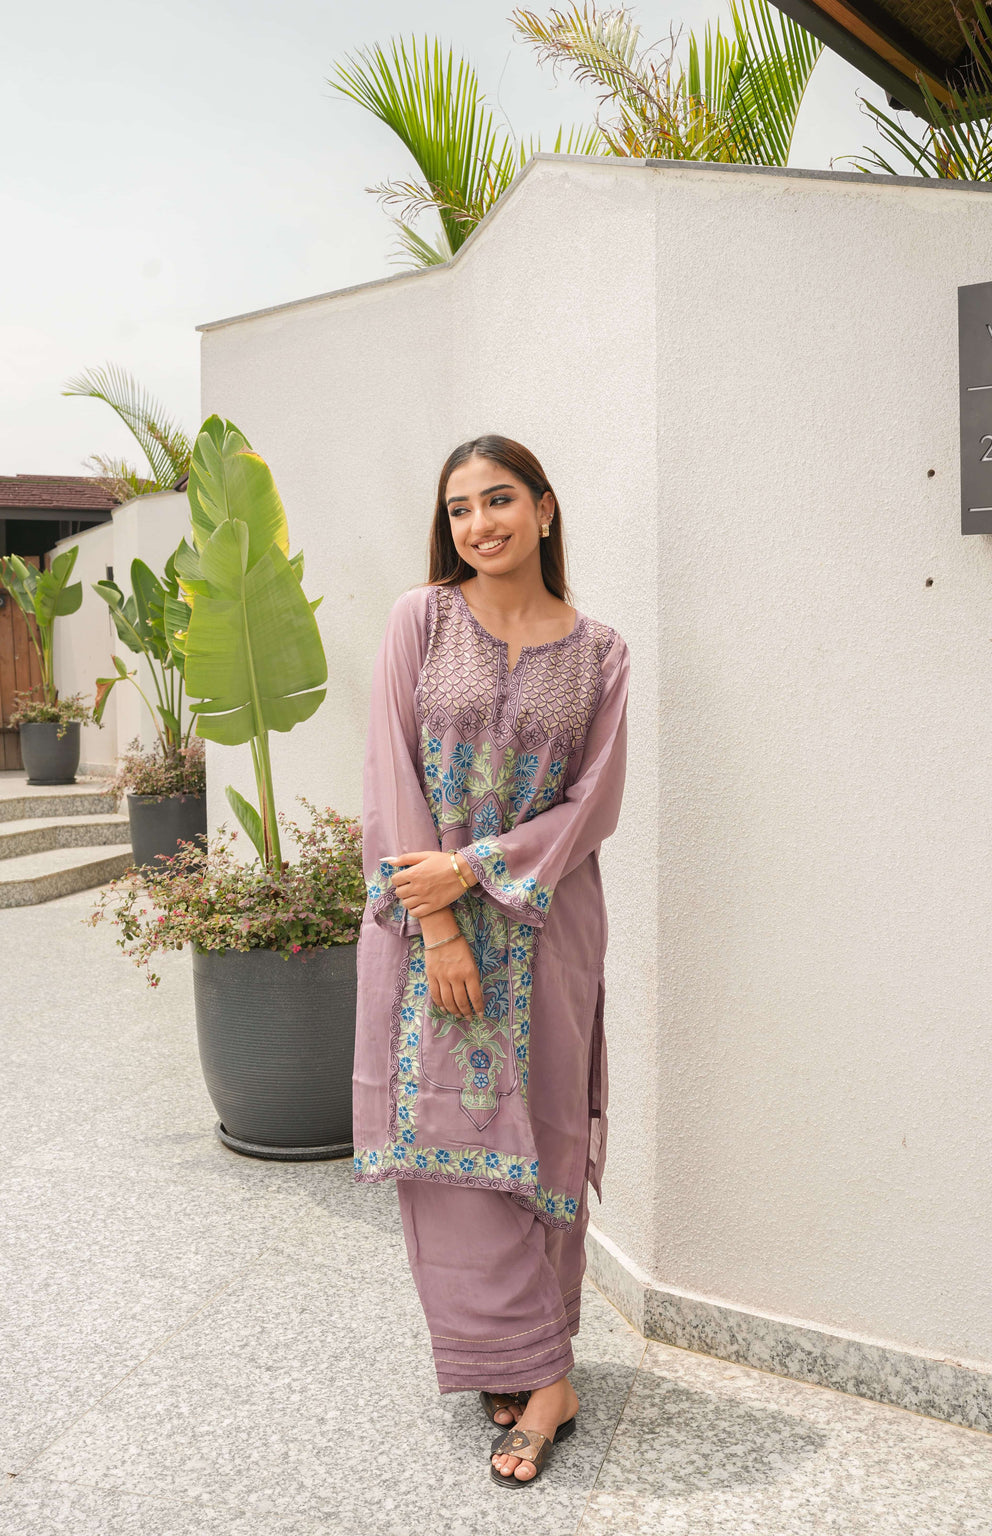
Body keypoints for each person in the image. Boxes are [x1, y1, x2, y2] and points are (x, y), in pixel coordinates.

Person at [351, 433, 630, 1488]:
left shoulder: (601, 651)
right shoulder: (418, 620)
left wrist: (476, 870)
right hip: (431, 936)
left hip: (548, 929)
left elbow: (591, 802)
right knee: (451, 1159)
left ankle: (545, 1379)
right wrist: (437, 922)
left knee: (543, 1148)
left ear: (547, 511)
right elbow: (388, 773)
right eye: (461, 508)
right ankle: (510, 1355)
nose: (480, 524)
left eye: (500, 500)